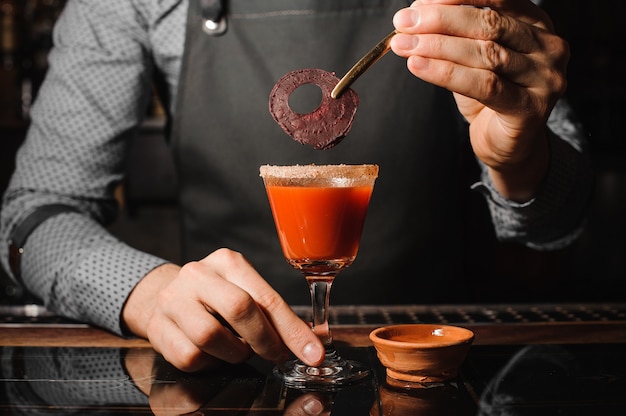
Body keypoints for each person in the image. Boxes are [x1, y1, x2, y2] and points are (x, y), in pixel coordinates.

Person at [1, 0, 591, 373]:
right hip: (224, 376)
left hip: (430, 365)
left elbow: (562, 226)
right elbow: (34, 214)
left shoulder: (479, 9)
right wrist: (148, 293)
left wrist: (521, 158)